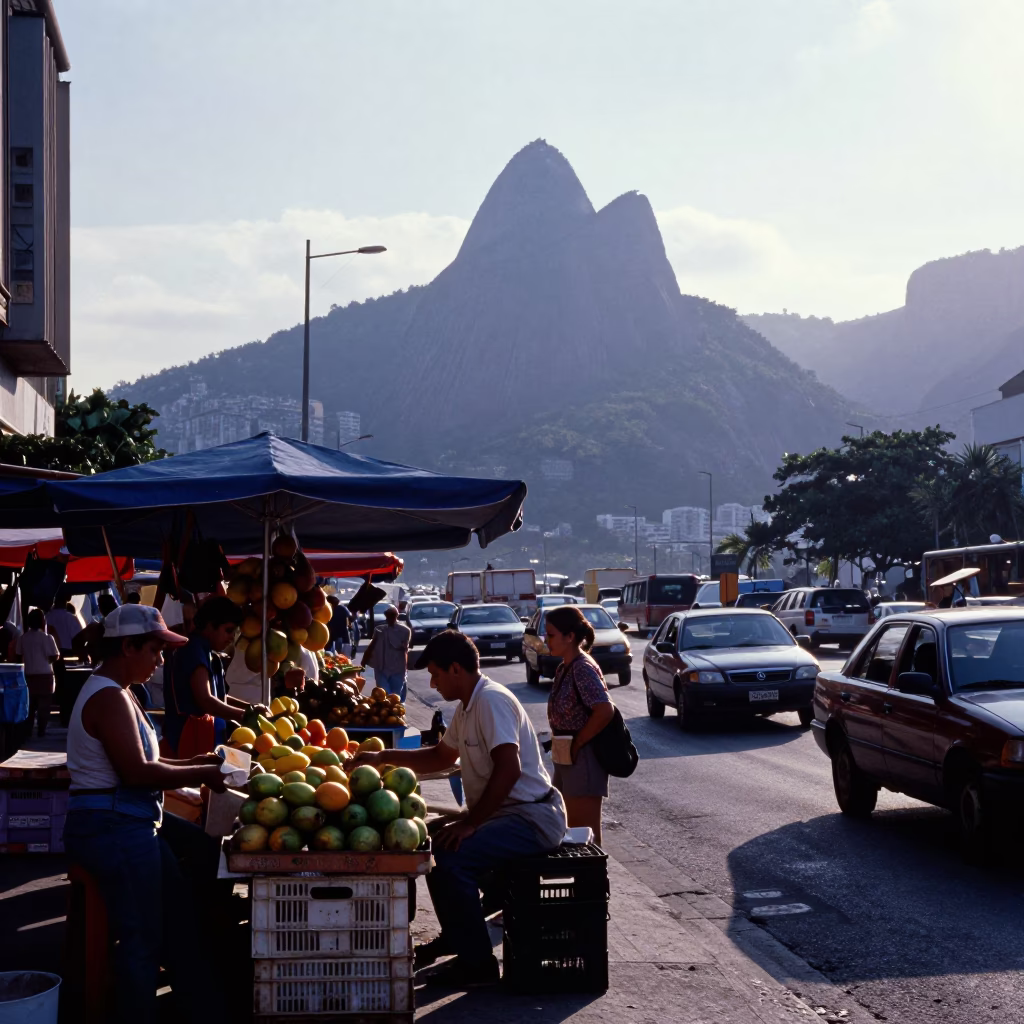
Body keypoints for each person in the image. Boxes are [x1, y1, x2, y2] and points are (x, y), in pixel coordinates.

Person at [351, 630, 566, 987]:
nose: (432, 683)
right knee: (430, 842)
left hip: (534, 818)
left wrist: (471, 822)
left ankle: (478, 964)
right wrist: (383, 757)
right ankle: (460, 935)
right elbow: (439, 756)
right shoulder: (468, 706)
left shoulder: (491, 701)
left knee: (452, 856)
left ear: (455, 669)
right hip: (507, 815)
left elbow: (509, 769)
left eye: (435, 674)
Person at [62, 603, 228, 1024]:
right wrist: (204, 771)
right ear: (128, 647)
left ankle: (203, 1005)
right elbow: (137, 773)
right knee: (142, 939)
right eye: (154, 651)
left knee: (182, 906)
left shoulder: (123, 693)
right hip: (111, 825)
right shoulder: (108, 698)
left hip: (133, 817)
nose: (160, 661)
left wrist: (201, 763)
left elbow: (148, 765)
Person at [544, 605, 615, 844]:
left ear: (570, 636)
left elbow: (605, 710)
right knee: (568, 832)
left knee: (585, 836)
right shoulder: (566, 666)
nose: (546, 639)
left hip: (582, 759)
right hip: (566, 757)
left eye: (551, 634)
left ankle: (596, 881)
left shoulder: (582, 668)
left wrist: (577, 745)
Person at [163, 596, 256, 756]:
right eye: (228, 630)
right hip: (190, 736)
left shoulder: (208, 652)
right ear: (209, 625)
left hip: (206, 734)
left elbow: (221, 697)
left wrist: (251, 709)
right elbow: (206, 700)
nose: (231, 638)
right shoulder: (193, 649)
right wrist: (245, 715)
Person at [15, 608, 60, 737]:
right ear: (42, 622)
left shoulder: (23, 638)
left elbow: (19, 655)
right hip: (45, 675)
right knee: (44, 706)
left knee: (30, 705)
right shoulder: (48, 638)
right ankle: (41, 730)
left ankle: (28, 730)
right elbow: (55, 656)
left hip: (28, 675)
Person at [361, 605, 411, 700]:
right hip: (381, 666)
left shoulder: (404, 631)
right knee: (383, 694)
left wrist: (406, 666)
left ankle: (396, 713)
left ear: (397, 616)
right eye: (388, 616)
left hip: (397, 667)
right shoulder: (379, 630)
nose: (390, 618)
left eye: (392, 615)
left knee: (396, 696)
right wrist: (364, 661)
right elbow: (372, 645)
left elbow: (406, 650)